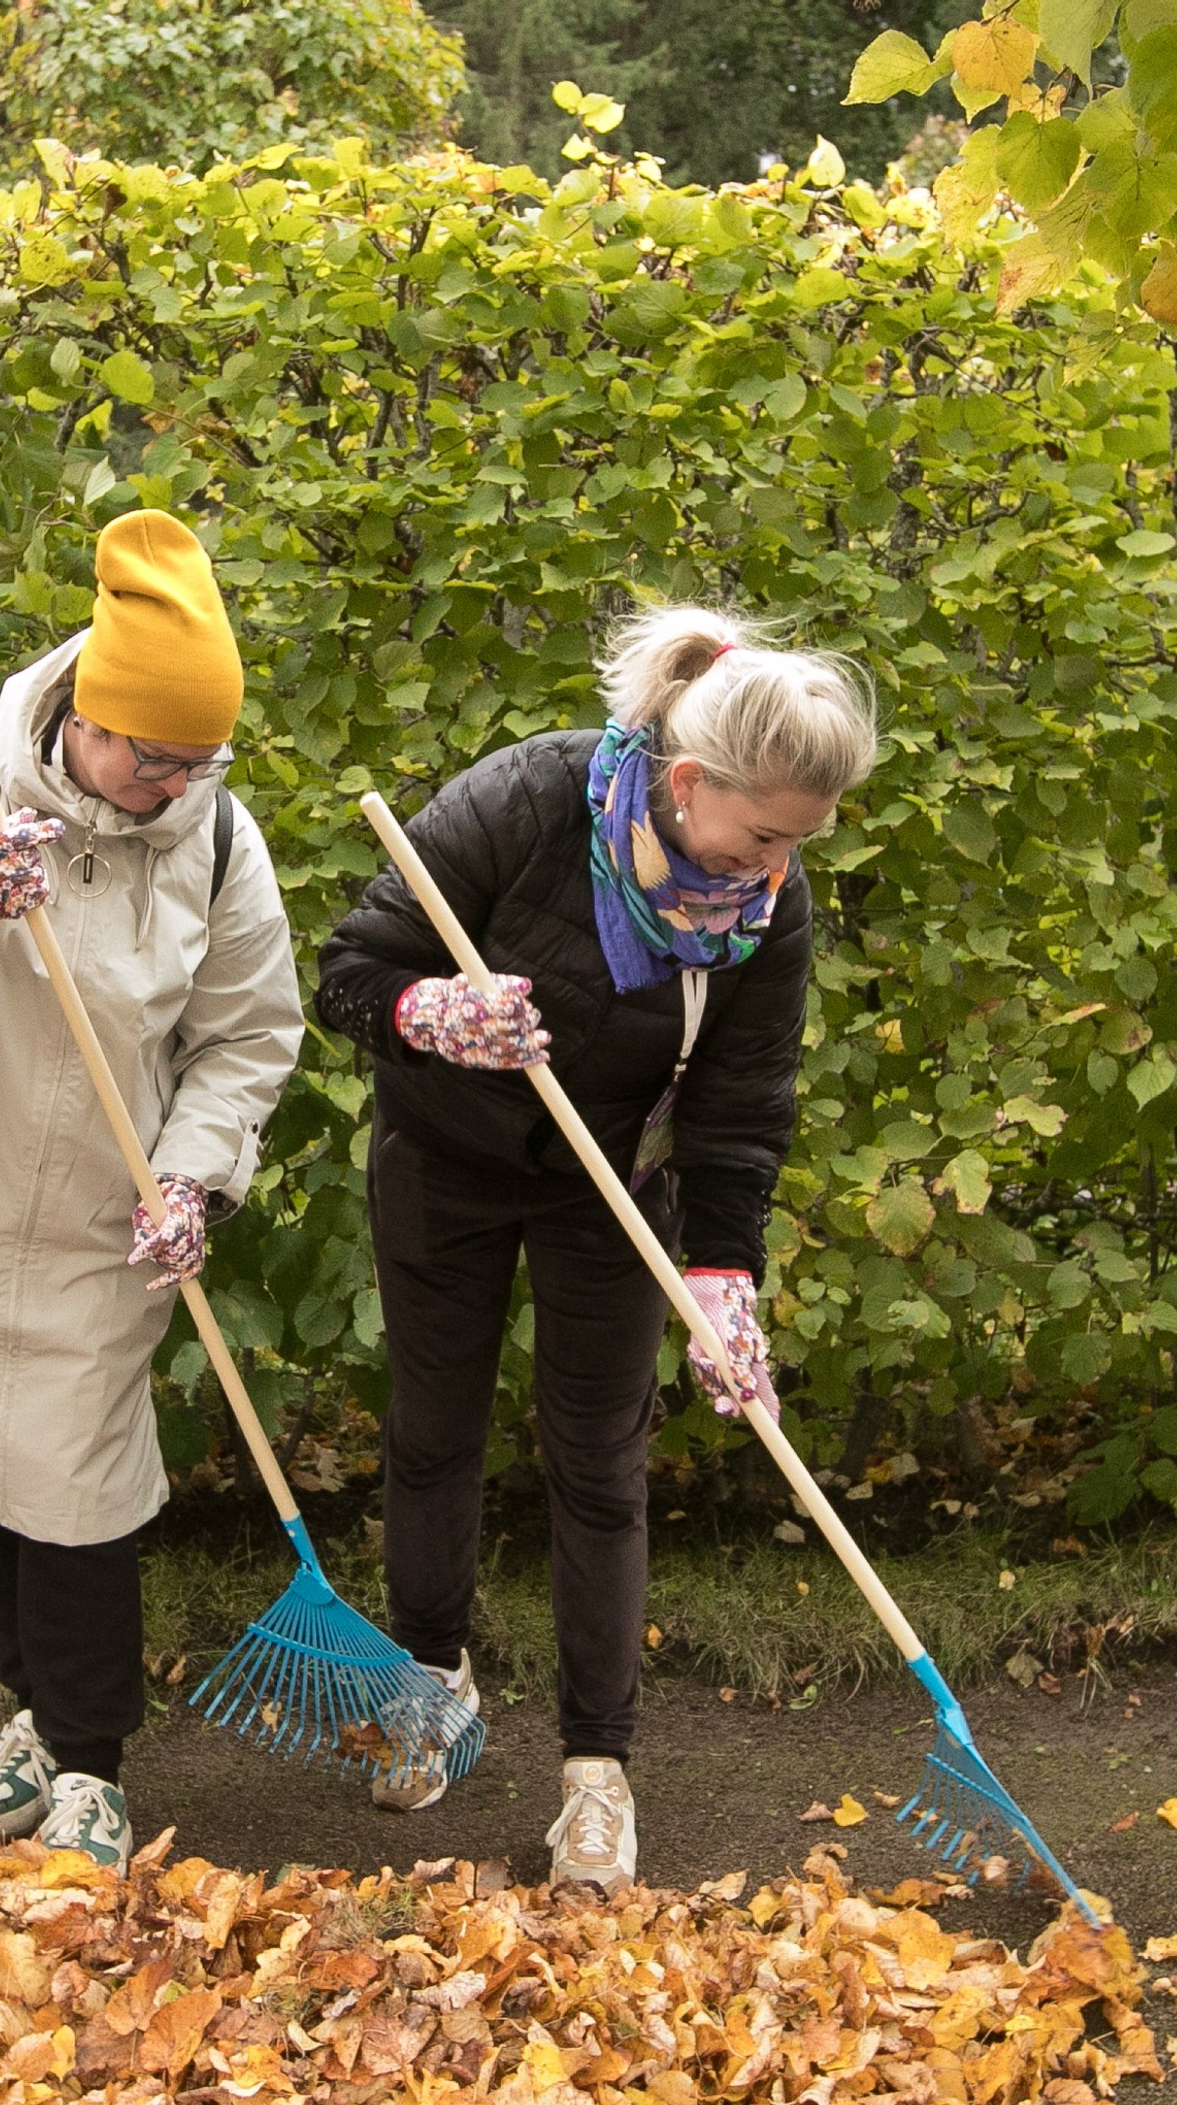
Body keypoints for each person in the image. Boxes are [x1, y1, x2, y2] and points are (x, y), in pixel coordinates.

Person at [317, 608, 876, 1889]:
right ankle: (430, 1681)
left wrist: (723, 1285)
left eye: (802, 841)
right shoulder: (522, 799)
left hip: (612, 1189)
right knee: (433, 1427)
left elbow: (740, 1113)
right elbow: (348, 970)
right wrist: (432, 1013)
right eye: (768, 833)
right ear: (688, 787)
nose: (781, 867)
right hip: (444, 1160)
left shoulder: (764, 914)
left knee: (600, 1461)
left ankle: (595, 1772)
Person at [0, 510, 302, 1877]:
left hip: (101, 1203)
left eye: (199, 763)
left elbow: (251, 1033)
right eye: (154, 760)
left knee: (74, 1482)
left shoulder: (211, 834)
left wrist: (198, 1177)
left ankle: (88, 1764)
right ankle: (34, 1712)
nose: (172, 787)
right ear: (89, 712)